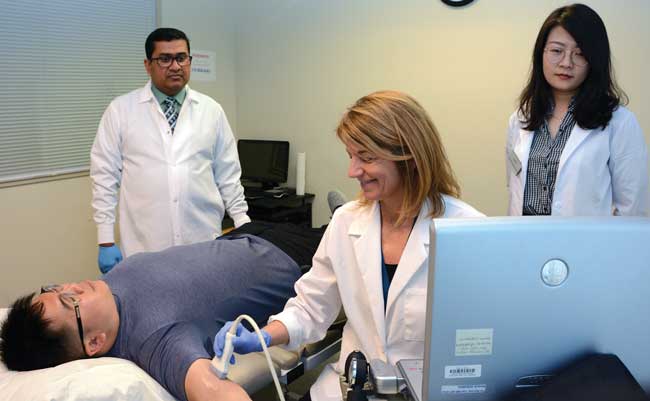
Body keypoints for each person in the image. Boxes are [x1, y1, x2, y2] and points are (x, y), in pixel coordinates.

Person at [214, 90, 484, 401]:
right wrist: (261, 336)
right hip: (348, 388)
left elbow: (479, 343)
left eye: (366, 158)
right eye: (350, 156)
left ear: (408, 155)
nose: (352, 171)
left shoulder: (465, 231)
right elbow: (311, 309)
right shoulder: (345, 222)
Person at [0, 222, 326, 401]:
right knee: (358, 229)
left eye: (55, 289)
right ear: (95, 343)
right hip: (291, 260)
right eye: (68, 302)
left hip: (248, 235)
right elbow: (215, 393)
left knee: (343, 220)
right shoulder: (156, 342)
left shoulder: (103, 292)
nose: (71, 287)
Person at [90, 27, 250, 273]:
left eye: (181, 57)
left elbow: (228, 175)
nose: (175, 66)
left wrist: (243, 225)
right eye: (164, 59)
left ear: (190, 61)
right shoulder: (121, 110)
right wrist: (106, 238)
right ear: (148, 65)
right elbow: (104, 177)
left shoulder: (211, 110)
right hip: (144, 246)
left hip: (203, 242)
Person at [506, 3, 649, 216]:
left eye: (580, 54)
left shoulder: (619, 123)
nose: (566, 63)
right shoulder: (520, 119)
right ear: (541, 53)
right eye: (557, 51)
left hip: (588, 247)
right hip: (525, 243)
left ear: (594, 61)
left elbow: (633, 208)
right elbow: (514, 190)